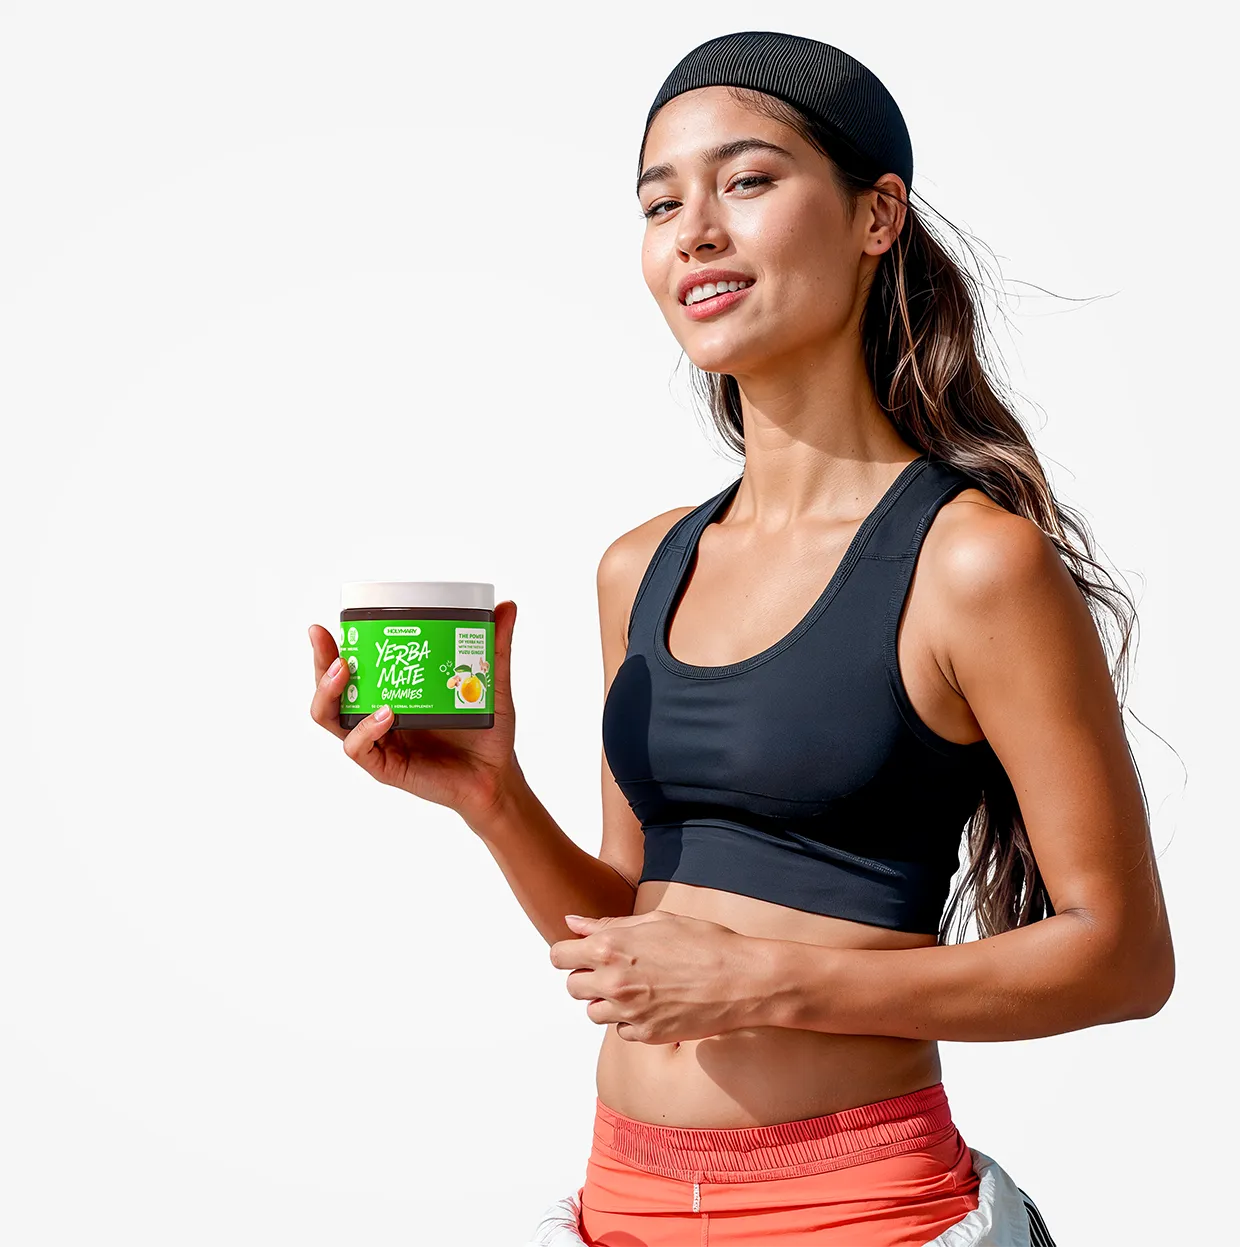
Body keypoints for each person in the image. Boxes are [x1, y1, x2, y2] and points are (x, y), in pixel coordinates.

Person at [308, 30, 1173, 1247]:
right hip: (624, 1205)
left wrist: (771, 980)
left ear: (877, 216)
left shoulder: (973, 561)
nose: (694, 231)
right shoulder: (638, 567)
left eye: (747, 181)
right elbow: (627, 941)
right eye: (661, 202)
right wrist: (492, 797)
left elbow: (1122, 957)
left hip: (866, 1214)